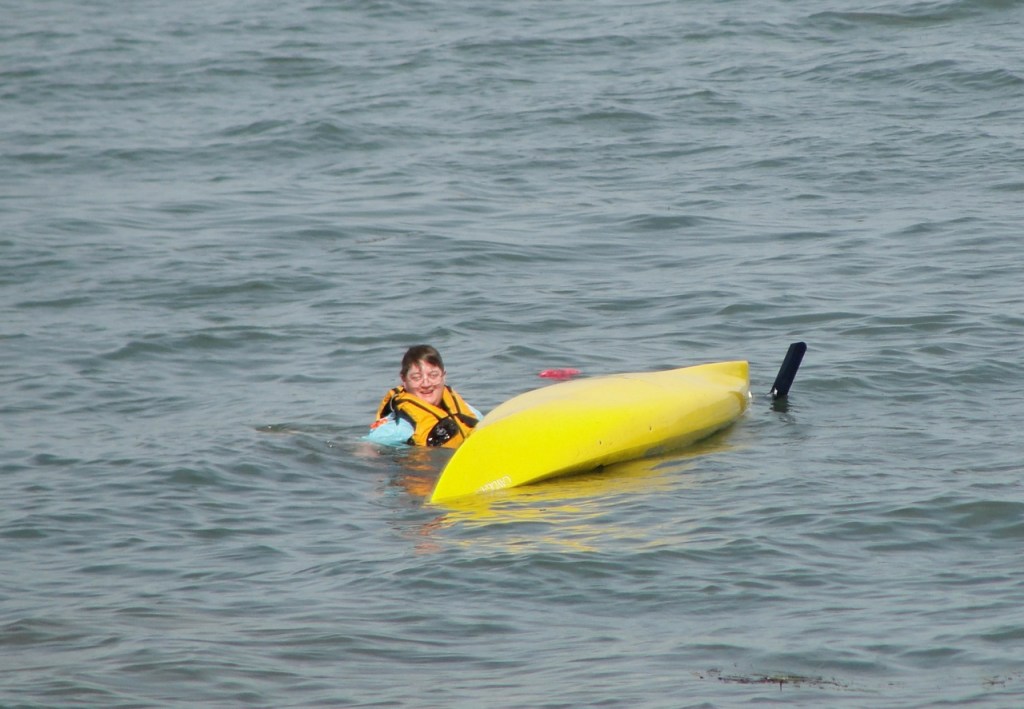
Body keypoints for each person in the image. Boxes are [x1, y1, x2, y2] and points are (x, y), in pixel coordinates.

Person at [365, 344, 482, 448]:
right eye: (416, 377)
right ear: (404, 380)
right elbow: (366, 449)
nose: (426, 384)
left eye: (433, 375)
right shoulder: (399, 427)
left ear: (443, 376)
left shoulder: (469, 412)